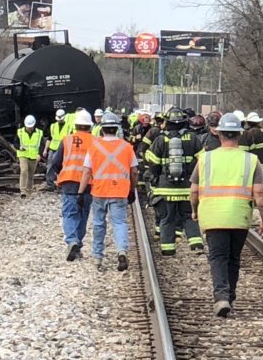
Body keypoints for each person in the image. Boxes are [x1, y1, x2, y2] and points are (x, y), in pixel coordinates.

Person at [190, 112, 263, 316]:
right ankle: (230, 296)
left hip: (213, 215)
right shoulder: (251, 160)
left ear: (220, 134)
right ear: (239, 135)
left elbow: (194, 190)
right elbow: (259, 192)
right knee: (233, 258)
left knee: (217, 257)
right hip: (239, 216)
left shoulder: (205, 158)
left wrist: (194, 210)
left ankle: (222, 297)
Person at [79, 111, 138, 272]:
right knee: (119, 223)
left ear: (102, 129)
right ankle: (122, 251)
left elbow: (86, 172)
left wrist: (80, 192)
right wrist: (132, 190)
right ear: (117, 128)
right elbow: (134, 172)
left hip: (99, 191)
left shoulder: (94, 147)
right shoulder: (127, 147)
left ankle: (97, 257)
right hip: (120, 192)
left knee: (99, 223)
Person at [145, 108, 203, 255]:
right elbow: (203, 161)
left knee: (167, 219)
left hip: (165, 189)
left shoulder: (160, 139)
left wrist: (156, 177)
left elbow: (153, 162)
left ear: (167, 122)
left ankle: (168, 249)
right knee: (189, 216)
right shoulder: (192, 138)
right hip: (187, 188)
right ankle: (196, 245)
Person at [49, 109, 94, 261]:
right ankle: (78, 244)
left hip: (69, 182)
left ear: (75, 125)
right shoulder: (95, 141)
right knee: (83, 214)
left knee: (69, 214)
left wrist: (61, 172)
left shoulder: (67, 140)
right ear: (90, 126)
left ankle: (72, 240)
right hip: (88, 184)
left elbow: (55, 162)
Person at [17, 115, 43, 197]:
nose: (29, 128)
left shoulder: (39, 133)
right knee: (24, 170)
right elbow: (15, 143)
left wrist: (39, 154)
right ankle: (23, 190)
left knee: (31, 174)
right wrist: (19, 147)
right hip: (23, 155)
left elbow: (41, 144)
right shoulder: (20, 132)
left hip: (33, 156)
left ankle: (29, 190)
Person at [44, 109, 69, 189]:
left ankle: (61, 183)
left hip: (63, 149)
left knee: (62, 167)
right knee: (50, 166)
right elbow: (49, 138)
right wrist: (45, 149)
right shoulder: (53, 126)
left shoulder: (68, 127)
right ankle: (50, 184)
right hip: (53, 148)